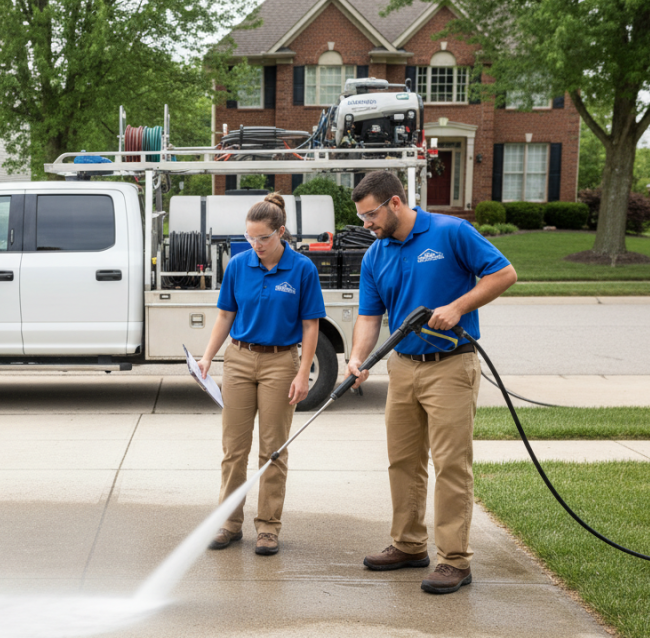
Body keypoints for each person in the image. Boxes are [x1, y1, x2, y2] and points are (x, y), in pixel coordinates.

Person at [348, 171, 517, 594]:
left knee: (450, 464)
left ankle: (454, 560)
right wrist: (357, 358)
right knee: (403, 460)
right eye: (362, 217)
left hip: (451, 365)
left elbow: (503, 274)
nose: (367, 224)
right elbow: (369, 316)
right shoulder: (375, 255)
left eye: (371, 215)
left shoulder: (450, 231)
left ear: (395, 202)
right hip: (403, 367)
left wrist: (458, 307)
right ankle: (408, 545)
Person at [198, 193, 326, 556]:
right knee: (233, 449)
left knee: (273, 450)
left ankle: (268, 527)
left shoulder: (302, 269)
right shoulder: (239, 265)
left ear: (280, 232)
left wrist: (303, 373)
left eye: (263, 238)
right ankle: (229, 523)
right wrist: (207, 358)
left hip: (280, 362)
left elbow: (311, 325)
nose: (256, 244)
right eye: (250, 237)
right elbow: (225, 315)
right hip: (239, 359)